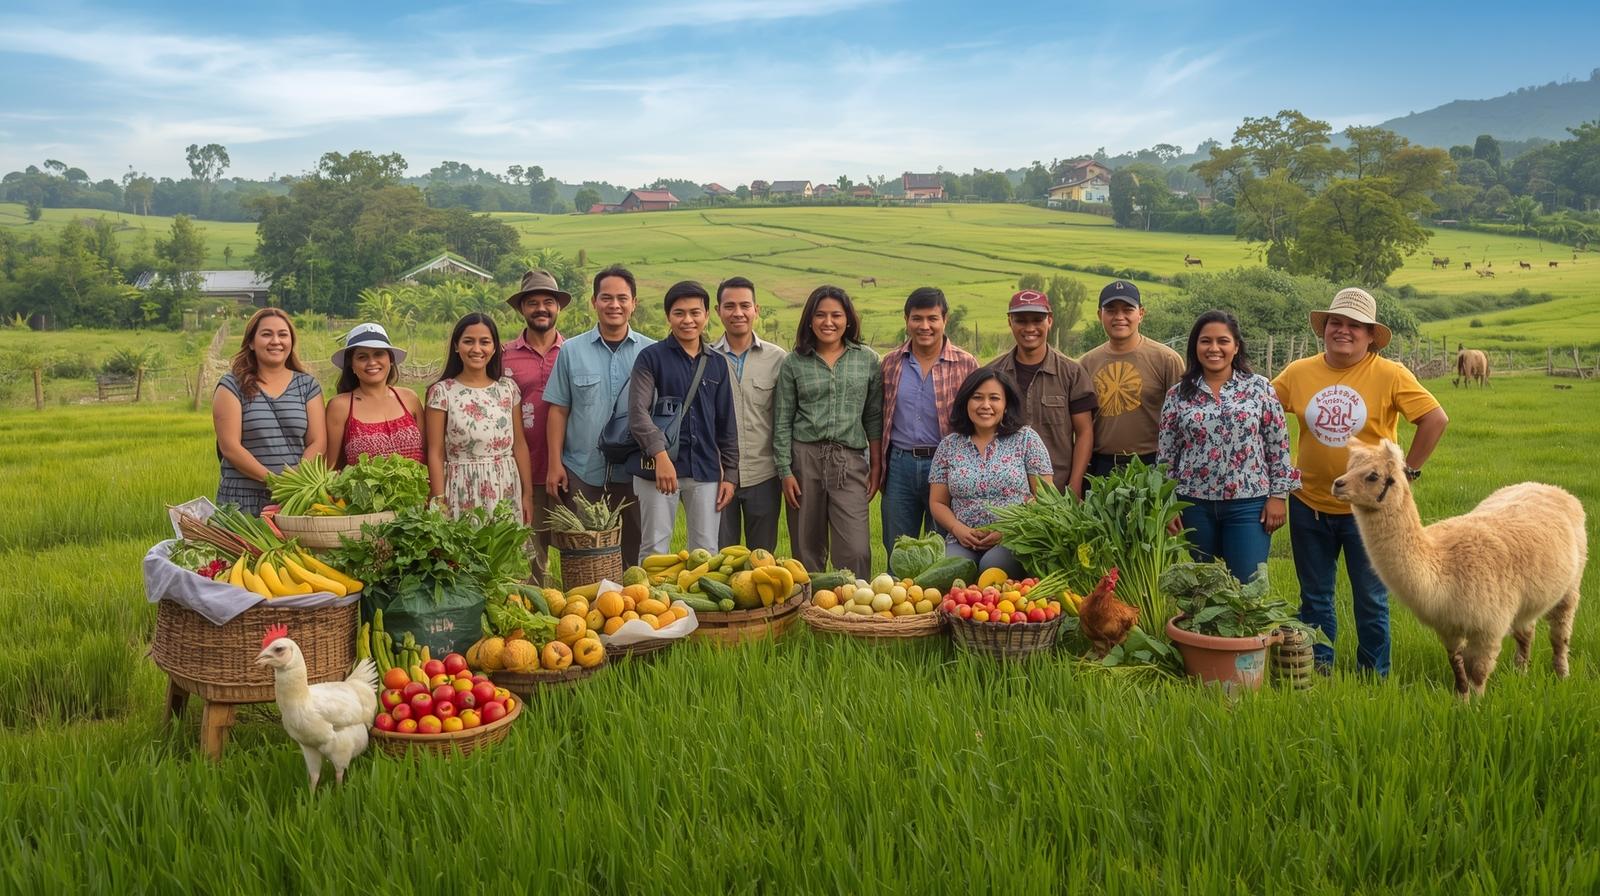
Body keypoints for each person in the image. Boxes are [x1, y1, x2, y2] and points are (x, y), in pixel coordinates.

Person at [1273, 287, 1448, 676]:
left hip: (1368, 513)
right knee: (1315, 599)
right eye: (1336, 322)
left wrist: (1406, 473)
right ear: (1325, 329)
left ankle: (1373, 678)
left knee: (1371, 600)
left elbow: (1435, 419)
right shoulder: (1299, 373)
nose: (1344, 331)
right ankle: (1318, 672)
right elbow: (1263, 411)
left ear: (1371, 336)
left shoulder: (1390, 374)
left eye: (1356, 326)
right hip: (1309, 505)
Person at [1157, 310, 1299, 584]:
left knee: (1249, 586)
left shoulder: (1260, 388)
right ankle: (1203, 631)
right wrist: (1168, 505)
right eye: (1205, 341)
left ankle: (1247, 630)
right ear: (1195, 347)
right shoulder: (1178, 395)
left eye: (1223, 341)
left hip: (1249, 504)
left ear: (1235, 347)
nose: (1214, 348)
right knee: (1205, 588)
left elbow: (1278, 445)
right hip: (1194, 503)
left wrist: (1279, 496)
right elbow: (1167, 455)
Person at [544, 265, 654, 563]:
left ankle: (633, 610)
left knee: (635, 557)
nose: (614, 305)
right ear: (594, 302)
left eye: (622, 298)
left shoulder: (652, 352)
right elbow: (558, 410)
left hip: (636, 473)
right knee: (583, 557)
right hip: (583, 472)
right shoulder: (571, 351)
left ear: (634, 303)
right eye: (606, 298)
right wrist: (555, 464)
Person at [774, 285, 882, 577]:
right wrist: (785, 471)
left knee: (856, 546)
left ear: (848, 319)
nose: (828, 322)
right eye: (820, 315)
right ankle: (811, 608)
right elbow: (782, 420)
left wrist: (876, 465)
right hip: (804, 457)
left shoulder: (868, 360)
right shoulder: (794, 362)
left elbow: (873, 416)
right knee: (806, 543)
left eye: (836, 314)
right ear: (809, 320)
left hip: (849, 459)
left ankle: (854, 605)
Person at [629, 281, 740, 561]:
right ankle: (653, 605)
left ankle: (696, 607)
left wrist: (731, 475)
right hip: (656, 469)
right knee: (655, 549)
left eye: (695, 312)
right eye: (679, 313)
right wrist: (661, 457)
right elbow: (638, 414)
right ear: (668, 316)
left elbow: (726, 424)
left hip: (704, 469)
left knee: (705, 553)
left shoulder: (717, 363)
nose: (687, 320)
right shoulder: (650, 358)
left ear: (706, 316)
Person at [877, 286, 977, 555]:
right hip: (900, 465)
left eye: (932, 319)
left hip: (946, 465)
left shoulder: (966, 364)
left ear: (945, 320)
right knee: (899, 551)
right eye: (917, 318)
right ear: (906, 320)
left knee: (943, 553)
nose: (925, 326)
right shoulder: (890, 363)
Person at [928, 368, 1053, 579]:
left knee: (992, 566)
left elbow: (1044, 498)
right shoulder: (949, 445)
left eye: (994, 398)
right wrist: (958, 529)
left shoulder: (1026, 439)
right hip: (962, 539)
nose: (985, 405)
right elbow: (937, 502)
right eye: (977, 398)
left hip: (1014, 537)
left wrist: (1006, 530)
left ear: (1006, 406)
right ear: (966, 402)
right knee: (951, 570)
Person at [213, 307, 326, 515]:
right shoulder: (231, 385)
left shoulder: (307, 385)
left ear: (291, 342)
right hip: (241, 501)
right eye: (266, 334)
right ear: (251, 342)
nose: (276, 341)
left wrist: (295, 482)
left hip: (294, 500)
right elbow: (230, 447)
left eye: (283, 334)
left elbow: (317, 441)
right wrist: (274, 481)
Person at [986, 289, 1097, 496]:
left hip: (1057, 489)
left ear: (1050, 321)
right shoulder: (991, 374)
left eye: (1037, 320)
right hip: (1004, 494)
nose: (1030, 328)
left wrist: (1075, 485)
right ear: (1010, 321)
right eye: (1021, 320)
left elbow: (1084, 433)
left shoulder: (1072, 373)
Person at [424, 313, 534, 523]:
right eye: (468, 341)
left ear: (494, 348)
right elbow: (435, 452)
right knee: (463, 552)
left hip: (506, 487)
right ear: (457, 346)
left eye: (484, 342)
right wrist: (438, 500)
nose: (476, 349)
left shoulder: (508, 389)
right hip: (461, 488)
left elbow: (519, 445)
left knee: (506, 551)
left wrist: (527, 495)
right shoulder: (442, 392)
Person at [502, 269, 569, 584]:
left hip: (572, 469)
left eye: (548, 302)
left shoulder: (573, 352)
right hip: (523, 472)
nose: (541, 308)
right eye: (532, 302)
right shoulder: (502, 357)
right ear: (521, 309)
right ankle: (537, 619)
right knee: (532, 558)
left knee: (577, 549)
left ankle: (581, 618)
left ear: (558, 307)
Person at [710, 276, 787, 552]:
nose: (738, 313)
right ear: (718, 311)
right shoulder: (706, 358)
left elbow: (785, 420)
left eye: (745, 305)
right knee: (719, 559)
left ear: (757, 309)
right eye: (729, 306)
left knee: (762, 558)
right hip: (717, 475)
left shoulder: (778, 359)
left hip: (764, 475)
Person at [1079, 280, 1184, 476]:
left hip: (1152, 464)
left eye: (1127, 310)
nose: (1119, 317)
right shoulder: (1085, 364)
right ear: (1099, 315)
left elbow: (1182, 420)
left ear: (1141, 314)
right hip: (1101, 465)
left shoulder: (1166, 359)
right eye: (1110, 310)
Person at [324, 322, 424, 469]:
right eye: (362, 357)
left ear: (390, 360)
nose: (372, 362)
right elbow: (330, 467)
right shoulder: (340, 406)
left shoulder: (409, 399)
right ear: (351, 365)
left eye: (378, 354)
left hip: (417, 492)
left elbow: (428, 453)